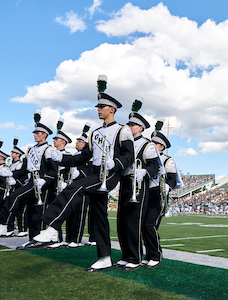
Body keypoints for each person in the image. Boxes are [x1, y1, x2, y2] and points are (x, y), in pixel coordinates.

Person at [29, 92, 134, 272]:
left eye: (102, 107)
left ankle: (53, 225)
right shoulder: (94, 132)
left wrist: (115, 163)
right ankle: (105, 257)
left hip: (108, 174)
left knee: (76, 187)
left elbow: (129, 155)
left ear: (112, 109)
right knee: (98, 217)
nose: (98, 110)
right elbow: (84, 157)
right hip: (94, 173)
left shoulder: (122, 130)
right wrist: (62, 158)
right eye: (98, 107)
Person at [0, 111, 58, 241]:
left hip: (42, 183)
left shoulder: (49, 150)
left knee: (19, 199)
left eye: (38, 133)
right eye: (35, 133)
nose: (35, 135)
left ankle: (4, 225)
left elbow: (54, 170)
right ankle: (33, 238)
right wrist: (11, 174)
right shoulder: (30, 150)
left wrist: (45, 180)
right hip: (31, 181)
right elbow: (24, 170)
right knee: (32, 212)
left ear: (44, 135)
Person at [113, 106, 160, 271]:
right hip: (125, 182)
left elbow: (156, 167)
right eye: (129, 124)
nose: (129, 127)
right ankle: (126, 254)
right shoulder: (125, 143)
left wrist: (144, 171)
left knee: (133, 222)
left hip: (139, 185)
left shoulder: (148, 145)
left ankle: (135, 257)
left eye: (133, 125)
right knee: (122, 221)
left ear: (140, 128)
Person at [142, 121, 184, 268]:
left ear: (161, 147)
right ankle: (148, 255)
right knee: (144, 226)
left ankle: (156, 255)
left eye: (155, 143)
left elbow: (172, 179)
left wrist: (166, 187)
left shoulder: (168, 160)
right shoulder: (146, 159)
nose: (151, 145)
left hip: (158, 196)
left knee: (149, 225)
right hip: (146, 194)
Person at [46, 118, 74, 250]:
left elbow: (70, 172)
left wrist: (65, 184)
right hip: (52, 186)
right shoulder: (52, 154)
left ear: (63, 142)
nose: (54, 141)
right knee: (51, 211)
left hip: (62, 186)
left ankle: (58, 238)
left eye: (56, 139)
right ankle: (52, 237)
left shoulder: (67, 155)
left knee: (58, 212)